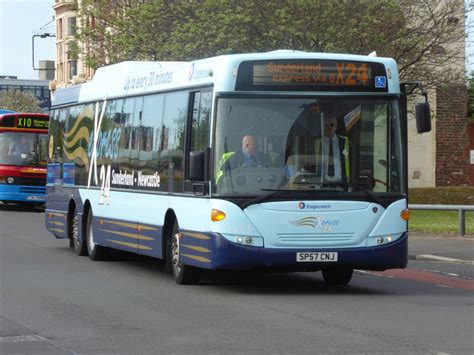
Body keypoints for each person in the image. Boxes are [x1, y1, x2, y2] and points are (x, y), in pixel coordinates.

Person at [315, 115, 350, 182]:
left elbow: (350, 160)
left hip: (341, 182)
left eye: (331, 125)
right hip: (323, 183)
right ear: (323, 128)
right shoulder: (318, 142)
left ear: (336, 126)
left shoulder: (344, 141)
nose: (329, 127)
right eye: (326, 125)